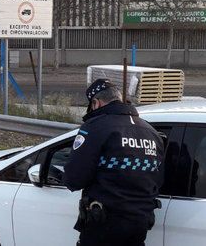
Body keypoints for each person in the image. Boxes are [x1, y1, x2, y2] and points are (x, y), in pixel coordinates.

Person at [63, 79, 165, 246]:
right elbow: (158, 178)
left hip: (105, 223)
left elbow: (74, 178)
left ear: (96, 103)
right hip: (140, 223)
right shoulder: (151, 131)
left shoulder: (96, 127)